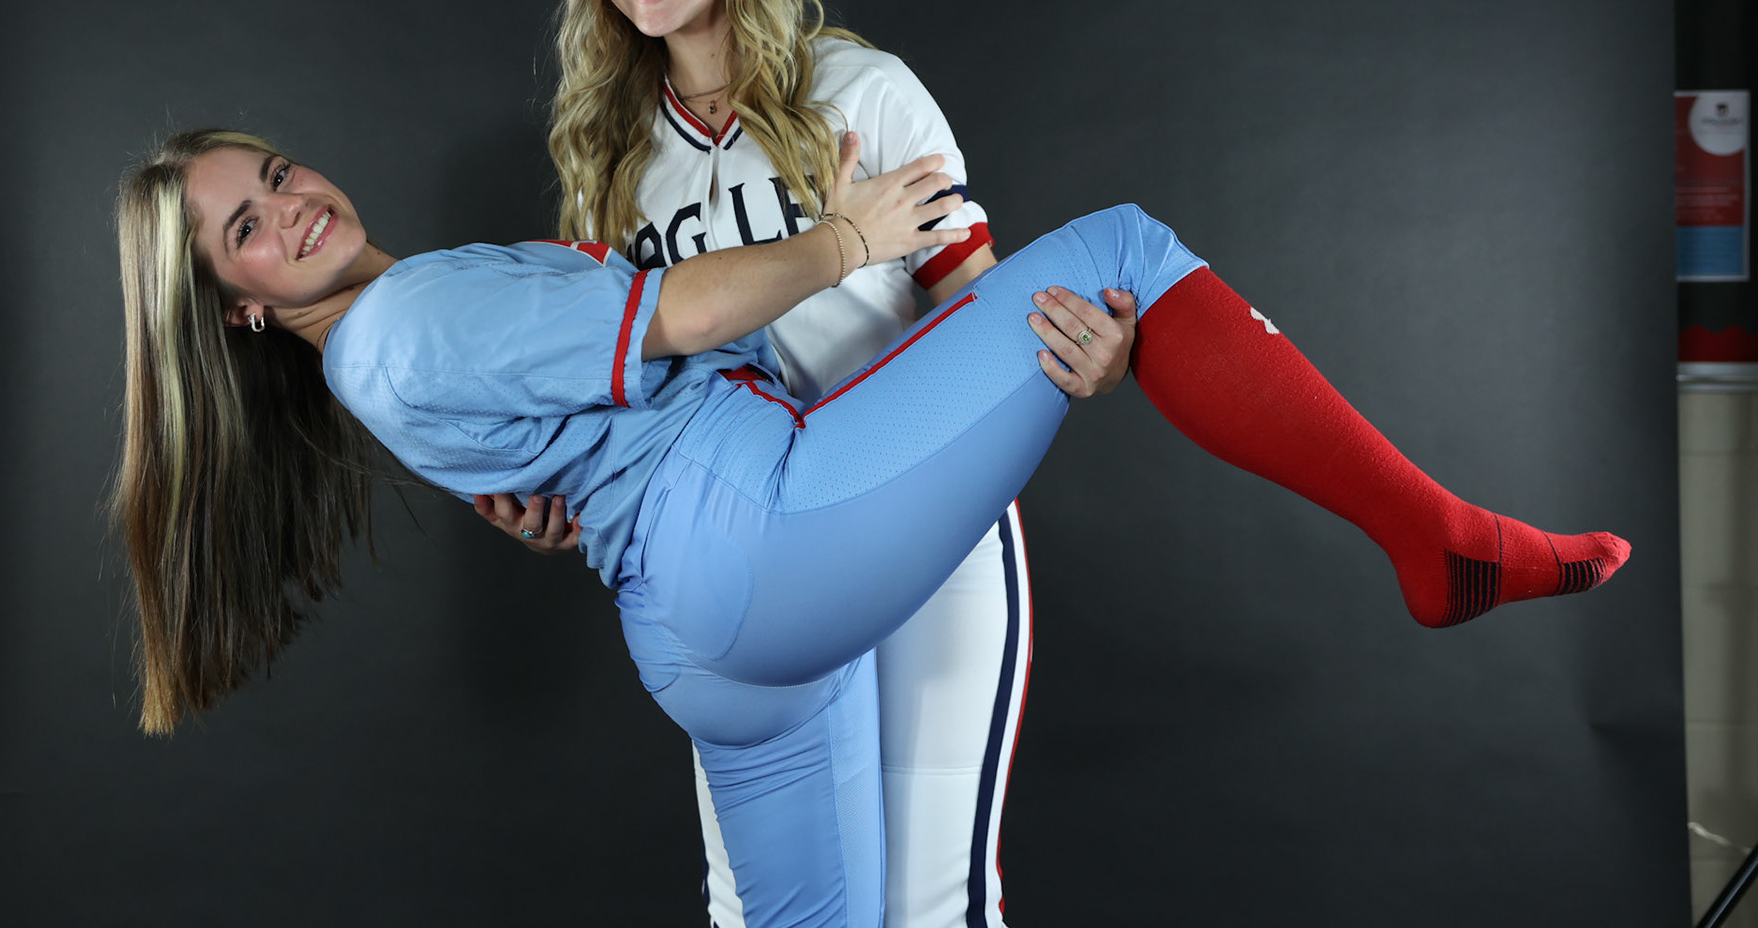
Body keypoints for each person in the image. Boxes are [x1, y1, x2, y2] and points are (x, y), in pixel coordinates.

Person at [112, 128, 1630, 928]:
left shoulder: (373, 350)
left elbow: (553, 468)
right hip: (765, 537)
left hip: (703, 639)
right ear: (237, 306)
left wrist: (566, 498)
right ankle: (1436, 542)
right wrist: (850, 236)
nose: (292, 204)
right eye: (248, 226)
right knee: (1119, 251)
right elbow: (694, 307)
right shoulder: (417, 313)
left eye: (278, 170)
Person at [469, 0, 1131, 928]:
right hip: (740, 554)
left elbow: (981, 310)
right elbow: (626, 391)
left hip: (924, 524)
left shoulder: (859, 92)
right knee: (762, 904)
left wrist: (1079, 351)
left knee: (930, 902)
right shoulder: (608, 158)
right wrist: (556, 493)